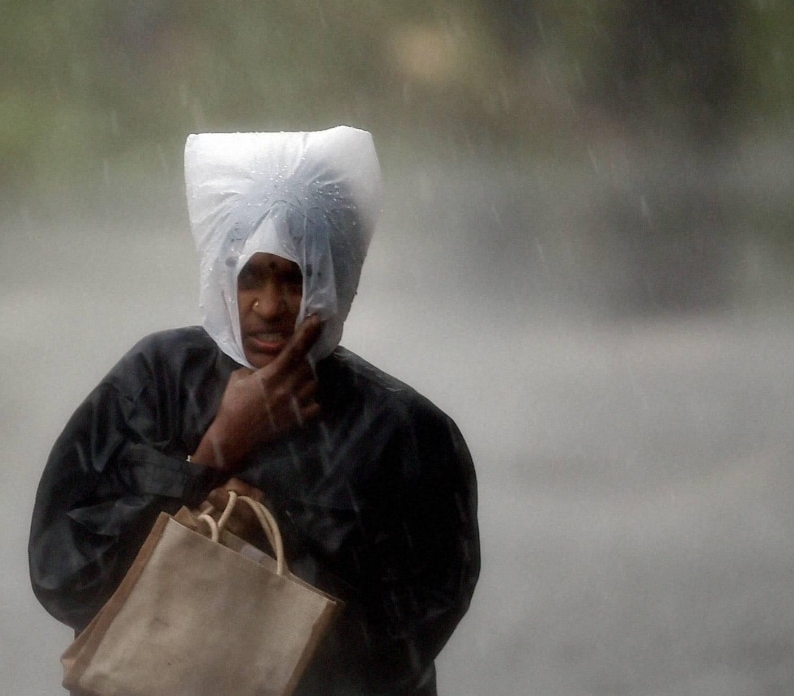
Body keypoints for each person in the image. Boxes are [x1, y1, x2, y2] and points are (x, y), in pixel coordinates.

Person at [28, 126, 480, 696]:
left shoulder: (405, 435)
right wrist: (211, 455)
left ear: (336, 278)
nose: (269, 307)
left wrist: (262, 548)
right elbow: (67, 579)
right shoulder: (154, 385)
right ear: (221, 274)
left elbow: (399, 650)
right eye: (249, 277)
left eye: (295, 278)